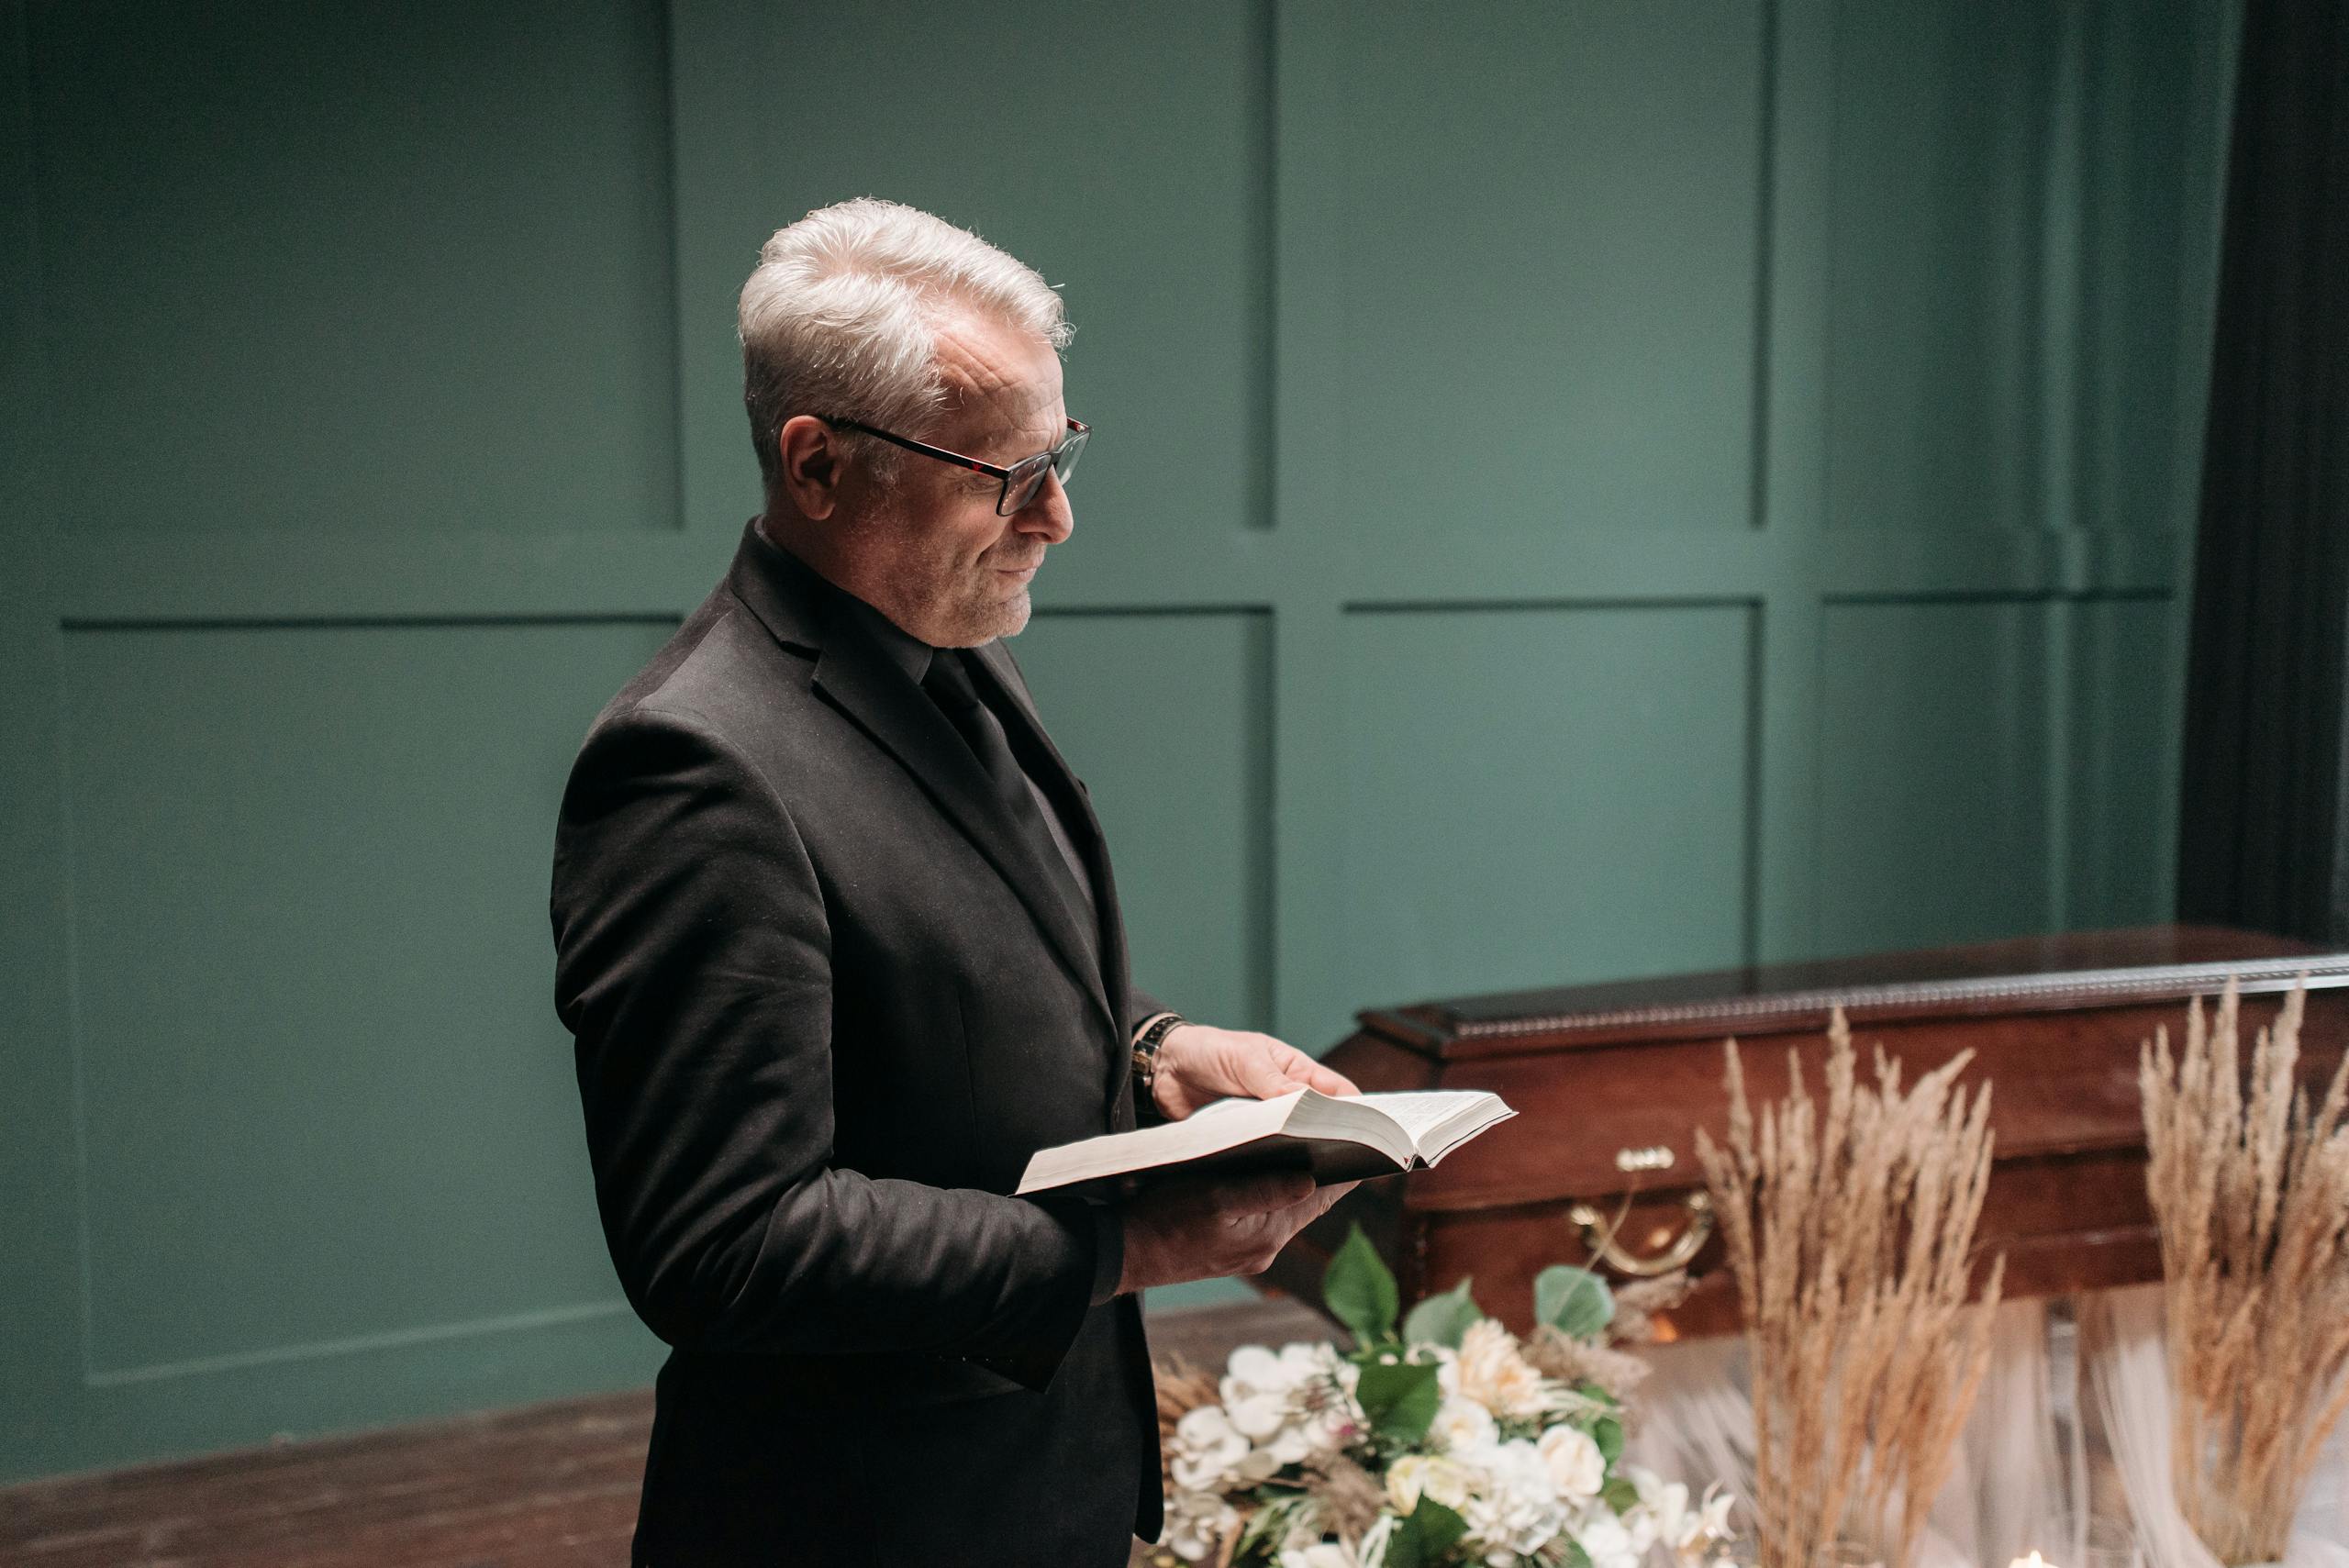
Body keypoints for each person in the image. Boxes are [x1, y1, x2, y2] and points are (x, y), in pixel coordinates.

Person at [550, 197, 1361, 1567]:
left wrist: (1159, 1049)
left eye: (1061, 453)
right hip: (859, 1521)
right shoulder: (689, 767)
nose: (1057, 514)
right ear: (817, 466)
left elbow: (957, 959)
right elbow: (726, 1243)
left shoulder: (943, 629)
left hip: (1033, 1485)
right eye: (1004, 472)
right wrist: (1128, 1248)